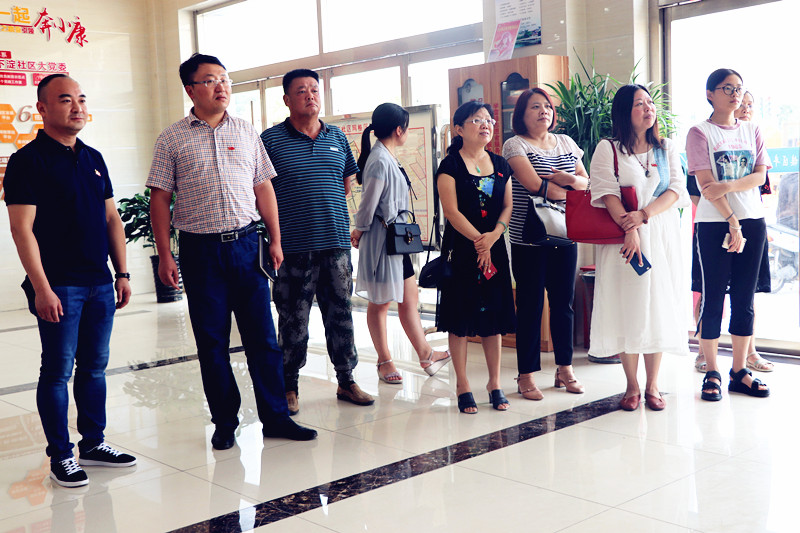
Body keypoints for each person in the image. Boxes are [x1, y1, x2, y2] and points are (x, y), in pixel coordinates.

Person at [148, 54, 317, 450]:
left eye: (224, 79)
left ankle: (276, 417)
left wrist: (275, 239)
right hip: (200, 251)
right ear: (191, 89)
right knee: (212, 343)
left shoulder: (245, 131)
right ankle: (225, 422)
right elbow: (160, 199)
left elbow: (263, 187)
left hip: (246, 246)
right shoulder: (172, 139)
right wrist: (165, 254)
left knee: (263, 338)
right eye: (210, 80)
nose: (221, 86)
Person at [5, 74, 137, 487]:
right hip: (60, 285)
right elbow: (21, 229)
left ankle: (93, 444)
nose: (77, 106)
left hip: (100, 281)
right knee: (57, 370)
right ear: (42, 109)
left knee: (95, 368)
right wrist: (41, 288)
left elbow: (112, 219)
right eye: (65, 100)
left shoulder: (93, 157)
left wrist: (122, 273)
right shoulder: (27, 162)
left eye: (81, 98)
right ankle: (61, 455)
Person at [261, 69, 373, 414]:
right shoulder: (270, 140)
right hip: (292, 247)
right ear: (286, 99)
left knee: (341, 313)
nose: (310, 95)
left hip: (336, 244)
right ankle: (289, 385)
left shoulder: (337, 136)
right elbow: (260, 191)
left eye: (314, 89)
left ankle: (346, 379)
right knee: (293, 318)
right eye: (301, 91)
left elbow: (346, 182)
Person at [589, 84, 689, 411]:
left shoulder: (666, 147)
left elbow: (676, 190)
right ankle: (632, 385)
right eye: (639, 104)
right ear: (624, 112)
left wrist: (643, 216)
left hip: (659, 233)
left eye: (649, 102)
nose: (648, 108)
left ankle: (653, 385)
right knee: (626, 306)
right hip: (622, 238)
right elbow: (606, 193)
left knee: (657, 306)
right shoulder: (608, 148)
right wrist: (629, 229)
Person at [350, 103, 452, 383]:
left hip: (397, 240)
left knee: (409, 298)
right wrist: (359, 229)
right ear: (399, 130)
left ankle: (426, 355)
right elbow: (369, 203)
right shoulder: (380, 160)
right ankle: (384, 361)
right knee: (381, 302)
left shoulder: (386, 156)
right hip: (383, 241)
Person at [686, 69, 771, 401]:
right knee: (713, 298)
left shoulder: (752, 129)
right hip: (714, 224)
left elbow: (760, 175)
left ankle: (739, 372)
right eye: (727, 88)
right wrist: (732, 220)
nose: (735, 94)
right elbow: (707, 185)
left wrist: (730, 185)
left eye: (738, 88)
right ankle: (712, 371)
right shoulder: (700, 132)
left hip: (753, 221)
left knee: (744, 299)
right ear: (710, 94)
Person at [502, 88, 588, 400]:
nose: (544, 112)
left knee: (564, 304)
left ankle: (565, 368)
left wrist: (570, 181)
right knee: (530, 305)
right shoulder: (515, 145)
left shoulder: (566, 142)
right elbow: (535, 186)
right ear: (521, 115)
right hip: (529, 237)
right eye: (535, 107)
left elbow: (586, 183)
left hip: (565, 233)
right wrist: (569, 188)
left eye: (547, 107)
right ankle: (525, 375)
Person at [436, 101, 516, 414]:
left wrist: (493, 236)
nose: (486, 125)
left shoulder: (500, 163)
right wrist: (479, 242)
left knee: (493, 318)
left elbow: (507, 206)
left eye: (489, 120)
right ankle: (462, 384)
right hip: (462, 248)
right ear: (459, 128)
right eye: (476, 120)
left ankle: (495, 383)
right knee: (460, 318)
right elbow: (451, 212)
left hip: (494, 247)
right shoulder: (450, 165)